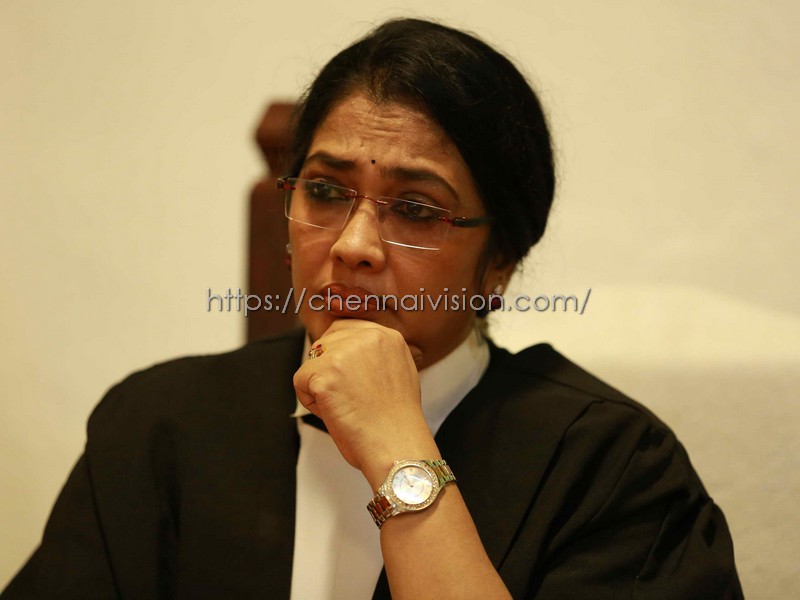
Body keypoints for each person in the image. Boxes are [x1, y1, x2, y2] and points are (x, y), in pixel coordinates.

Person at [3, 18, 742, 600]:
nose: (353, 244)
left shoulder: (612, 467)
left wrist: (397, 448)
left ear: (501, 262)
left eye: (416, 209)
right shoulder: (160, 423)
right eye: (325, 192)